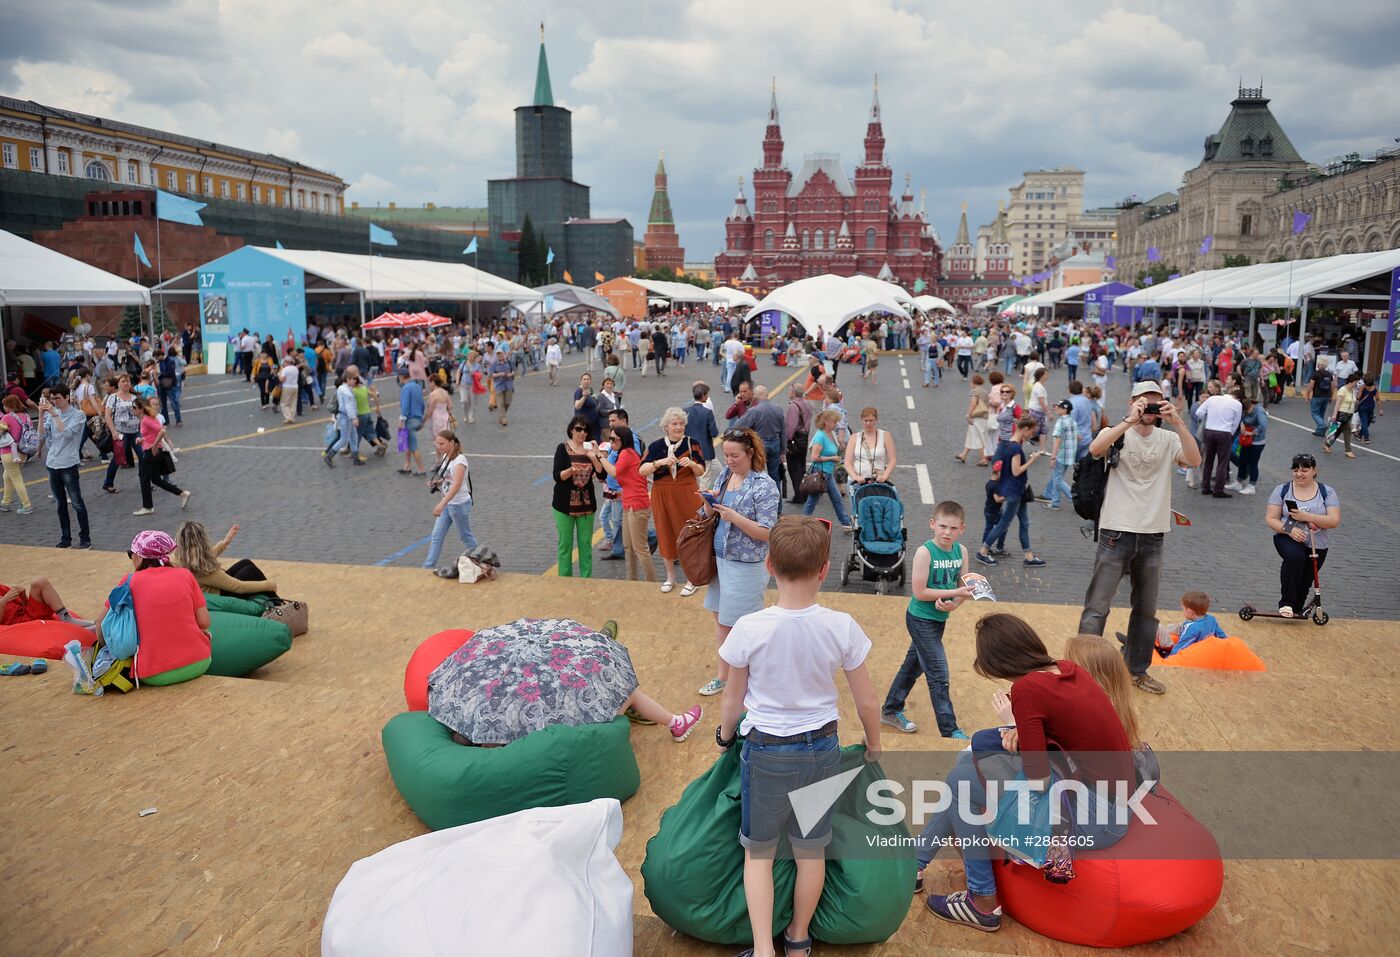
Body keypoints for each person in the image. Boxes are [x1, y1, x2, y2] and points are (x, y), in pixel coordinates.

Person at [716, 515, 883, 957]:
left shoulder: (749, 628)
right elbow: (867, 700)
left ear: (769, 565)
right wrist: (874, 742)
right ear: (825, 569)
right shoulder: (841, 625)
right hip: (822, 747)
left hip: (767, 749)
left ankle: (762, 950)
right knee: (811, 852)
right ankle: (798, 939)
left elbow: (732, 701)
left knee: (760, 855)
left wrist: (724, 735)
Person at [917, 613, 1133, 933]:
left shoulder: (1028, 689)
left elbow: (1039, 780)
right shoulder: (1069, 670)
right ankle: (915, 862)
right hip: (1109, 803)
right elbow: (1066, 737)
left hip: (1096, 817)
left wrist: (1018, 738)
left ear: (998, 663)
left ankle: (982, 902)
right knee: (965, 769)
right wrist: (1024, 737)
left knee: (961, 781)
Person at [1078, 381, 1201, 695]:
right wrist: (1128, 421)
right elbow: (1094, 450)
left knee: (1146, 610)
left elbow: (1194, 460)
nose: (1149, 408)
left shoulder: (1169, 437)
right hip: (1115, 531)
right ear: (1133, 402)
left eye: (1155, 402)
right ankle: (1084, 672)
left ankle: (1136, 669)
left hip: (1153, 534)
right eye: (1144, 402)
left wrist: (1179, 421)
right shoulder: (1119, 433)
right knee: (1097, 606)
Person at [697, 427, 780, 697]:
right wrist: (709, 503)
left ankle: (750, 679)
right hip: (721, 559)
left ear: (751, 453)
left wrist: (735, 518)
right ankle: (724, 676)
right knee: (721, 619)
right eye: (727, 455)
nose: (730, 461)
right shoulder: (725, 474)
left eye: (735, 456)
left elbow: (767, 532)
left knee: (743, 625)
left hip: (746, 565)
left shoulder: (764, 486)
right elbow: (710, 512)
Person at [880, 500, 972, 738]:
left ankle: (890, 710)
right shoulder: (925, 552)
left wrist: (954, 604)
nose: (947, 532)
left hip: (938, 619)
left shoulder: (961, 552)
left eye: (953, 528)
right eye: (942, 526)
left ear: (962, 528)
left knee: (912, 667)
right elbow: (920, 592)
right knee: (938, 674)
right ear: (932, 524)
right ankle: (949, 730)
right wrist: (954, 595)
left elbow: (964, 587)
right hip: (920, 619)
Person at [90, 531, 213, 686]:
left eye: (131, 554)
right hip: (199, 663)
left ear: (140, 556)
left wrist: (104, 650)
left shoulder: (129, 581)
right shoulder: (186, 575)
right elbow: (204, 622)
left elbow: (100, 622)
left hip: (154, 674)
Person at [1266, 452, 1340, 618]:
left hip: (1317, 541)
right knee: (1295, 557)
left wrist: (1308, 517)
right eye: (1295, 470)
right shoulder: (1282, 490)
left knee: (1306, 579)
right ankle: (1286, 603)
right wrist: (1289, 530)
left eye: (1304, 470)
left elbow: (1334, 520)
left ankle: (1296, 606)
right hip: (1287, 535)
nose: (1299, 474)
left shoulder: (1326, 491)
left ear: (1314, 471)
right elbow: (1271, 519)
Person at [640, 409, 706, 595]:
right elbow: (642, 470)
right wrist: (659, 463)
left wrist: (692, 464)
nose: (678, 427)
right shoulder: (656, 446)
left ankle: (692, 579)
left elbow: (701, 470)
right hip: (662, 492)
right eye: (674, 424)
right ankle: (670, 577)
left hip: (686, 491)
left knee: (689, 535)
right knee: (665, 532)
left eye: (680, 423)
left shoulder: (692, 443)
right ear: (666, 427)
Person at [974, 416, 1045, 567]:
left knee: (1024, 523)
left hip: (1016, 490)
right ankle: (983, 551)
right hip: (1014, 492)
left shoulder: (1008, 445)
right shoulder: (1016, 448)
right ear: (1025, 429)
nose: (1032, 436)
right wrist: (1032, 459)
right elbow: (1016, 471)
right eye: (1031, 432)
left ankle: (1029, 556)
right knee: (1003, 524)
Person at [596, 424, 656, 583]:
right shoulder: (624, 453)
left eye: (614, 439)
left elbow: (614, 472)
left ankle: (651, 583)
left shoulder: (627, 454)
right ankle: (632, 582)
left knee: (640, 549)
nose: (611, 442)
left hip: (637, 505)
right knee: (628, 548)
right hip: (628, 503)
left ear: (623, 440)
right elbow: (632, 479)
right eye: (610, 439)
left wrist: (599, 456)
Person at [37, 385, 91, 549]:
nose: (55, 401)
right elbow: (41, 435)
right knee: (60, 504)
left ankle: (85, 538)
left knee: (77, 503)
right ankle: (65, 537)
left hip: (68, 463)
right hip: (52, 463)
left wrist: (54, 414)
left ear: (67, 397)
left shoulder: (78, 415)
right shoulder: (52, 415)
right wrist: (41, 415)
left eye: (58, 398)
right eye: (52, 399)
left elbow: (67, 434)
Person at [551, 416, 605, 577]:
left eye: (585, 430)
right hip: (563, 504)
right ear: (571, 430)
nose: (582, 433)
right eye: (578, 429)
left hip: (587, 505)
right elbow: (557, 476)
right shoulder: (563, 448)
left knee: (585, 546)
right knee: (565, 546)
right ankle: (564, 580)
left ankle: (586, 579)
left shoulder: (590, 450)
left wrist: (595, 456)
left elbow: (601, 474)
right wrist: (571, 470)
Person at [174, 521, 278, 596]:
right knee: (249, 571)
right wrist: (269, 585)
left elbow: (198, 557)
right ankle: (279, 605)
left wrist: (225, 543)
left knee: (245, 563)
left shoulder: (177, 557)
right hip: (219, 597)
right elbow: (238, 587)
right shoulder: (202, 570)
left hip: (205, 592)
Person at [423, 430, 478, 571]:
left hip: (458, 505)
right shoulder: (446, 456)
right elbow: (449, 478)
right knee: (436, 536)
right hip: (448, 504)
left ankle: (483, 560)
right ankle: (427, 567)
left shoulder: (460, 460)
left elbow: (457, 484)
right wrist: (438, 482)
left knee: (465, 536)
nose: (439, 446)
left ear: (452, 443)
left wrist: (441, 504)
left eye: (442, 443)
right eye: (437, 443)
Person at [130, 395, 189, 516]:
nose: (132, 409)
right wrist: (142, 440)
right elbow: (152, 434)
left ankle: (147, 507)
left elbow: (162, 431)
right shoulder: (146, 418)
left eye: (134, 407)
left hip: (151, 452)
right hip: (151, 450)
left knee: (144, 478)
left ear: (141, 408)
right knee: (155, 479)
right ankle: (182, 493)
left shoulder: (146, 419)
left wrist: (155, 445)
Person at [801, 410, 853, 530]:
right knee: (813, 501)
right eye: (834, 422)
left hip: (827, 473)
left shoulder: (830, 434)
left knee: (836, 498)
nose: (836, 424)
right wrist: (832, 458)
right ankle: (801, 523)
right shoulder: (820, 436)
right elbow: (814, 457)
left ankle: (846, 523)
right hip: (820, 473)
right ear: (826, 422)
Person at [734, 385, 787, 494]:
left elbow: (738, 426)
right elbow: (783, 432)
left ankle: (758, 501)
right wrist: (783, 451)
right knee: (774, 476)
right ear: (767, 395)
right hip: (775, 443)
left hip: (760, 443)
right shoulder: (778, 409)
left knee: (757, 474)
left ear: (755, 397)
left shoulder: (754, 411)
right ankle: (777, 506)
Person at [1197, 387, 1243, 497]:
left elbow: (1199, 412)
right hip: (1224, 432)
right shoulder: (1237, 404)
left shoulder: (1212, 399)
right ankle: (1218, 489)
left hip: (1209, 431)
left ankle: (1205, 487)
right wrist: (1230, 433)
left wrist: (1210, 420)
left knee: (1208, 460)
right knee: (1222, 462)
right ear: (1238, 398)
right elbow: (1236, 423)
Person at [1156, 590, 1228, 656]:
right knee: (1174, 626)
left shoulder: (1191, 628)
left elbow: (1182, 645)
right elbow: (1222, 636)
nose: (1182, 611)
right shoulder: (1211, 619)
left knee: (1159, 628)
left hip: (1177, 647)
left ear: (1190, 612)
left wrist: (1169, 657)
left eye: (1183, 609)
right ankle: (1168, 629)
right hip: (1198, 634)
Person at [1, 577, 93, 628]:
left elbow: (23, 606)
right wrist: (3, 602)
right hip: (19, 625)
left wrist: (23, 596)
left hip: (28, 615)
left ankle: (66, 618)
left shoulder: (1, 588)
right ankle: (87, 629)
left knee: (39, 582)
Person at [101, 373, 141, 493]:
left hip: (135, 432)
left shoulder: (134, 398)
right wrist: (113, 431)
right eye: (123, 381)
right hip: (121, 432)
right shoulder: (113, 397)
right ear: (118, 383)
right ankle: (108, 483)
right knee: (118, 459)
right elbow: (107, 415)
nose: (126, 383)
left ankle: (145, 481)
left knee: (143, 456)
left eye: (128, 381)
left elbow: (141, 413)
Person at [1041, 399, 1079, 510]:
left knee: (1057, 479)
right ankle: (1055, 502)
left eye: (1058, 407)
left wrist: (1053, 457)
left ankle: (1073, 497)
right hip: (1070, 455)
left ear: (1065, 409)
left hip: (1062, 455)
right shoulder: (1072, 421)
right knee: (1057, 477)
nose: (1056, 408)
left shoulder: (1061, 422)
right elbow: (1078, 436)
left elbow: (1057, 440)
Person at [1226, 397, 1267, 495]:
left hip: (1257, 442)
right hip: (1245, 441)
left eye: (1246, 411)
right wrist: (1242, 424)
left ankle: (1251, 486)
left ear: (1250, 406)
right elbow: (1241, 419)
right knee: (1242, 461)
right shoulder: (1245, 411)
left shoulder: (1259, 411)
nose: (1245, 413)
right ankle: (1238, 482)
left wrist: (1252, 433)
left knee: (1253, 463)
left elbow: (1263, 425)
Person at [0, 394, 33, 514]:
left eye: (4, 405)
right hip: (23, 452)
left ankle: (27, 505)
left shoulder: (7, 418)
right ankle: (5, 503)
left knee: (16, 479)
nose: (3, 407)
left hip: (8, 454)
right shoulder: (26, 416)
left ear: (9, 406)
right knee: (7, 477)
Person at [954, 375, 990, 465]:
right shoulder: (985, 391)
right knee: (971, 436)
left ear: (974, 382)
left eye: (971, 382)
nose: (970, 384)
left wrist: (968, 414)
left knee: (978, 437)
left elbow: (973, 404)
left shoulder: (974, 391)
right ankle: (964, 455)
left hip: (977, 416)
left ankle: (983, 459)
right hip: (985, 416)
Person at [684, 382, 719, 476]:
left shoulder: (685, 411)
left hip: (689, 448)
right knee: (705, 476)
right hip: (705, 449)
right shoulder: (707, 412)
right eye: (707, 394)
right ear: (703, 395)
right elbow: (714, 433)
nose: (708, 397)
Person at [1322, 372, 1360, 458]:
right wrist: (1334, 415)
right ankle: (1348, 450)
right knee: (1347, 431)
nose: (1356, 384)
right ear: (1350, 381)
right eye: (1355, 382)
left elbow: (1354, 401)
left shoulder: (1353, 391)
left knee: (1337, 431)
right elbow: (1338, 403)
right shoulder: (1343, 390)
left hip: (1349, 414)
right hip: (1342, 414)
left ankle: (1326, 444)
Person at [397, 369, 426, 475]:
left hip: (410, 419)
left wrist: (401, 421)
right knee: (407, 443)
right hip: (418, 417)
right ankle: (407, 465)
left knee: (413, 445)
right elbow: (422, 404)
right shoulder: (417, 386)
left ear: (401, 377)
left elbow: (405, 406)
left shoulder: (405, 388)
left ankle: (421, 469)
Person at [1303, 360, 1335, 436]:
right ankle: (1319, 431)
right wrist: (1331, 396)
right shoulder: (1329, 374)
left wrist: (1307, 395)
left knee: (1315, 413)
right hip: (1326, 396)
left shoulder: (1315, 374)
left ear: (1318, 365)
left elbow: (1311, 386)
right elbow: (1332, 386)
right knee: (1321, 413)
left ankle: (1322, 425)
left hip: (1317, 396)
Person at [489, 349, 515, 426]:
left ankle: (502, 415)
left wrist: (511, 374)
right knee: (500, 403)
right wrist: (500, 374)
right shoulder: (494, 364)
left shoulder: (510, 362)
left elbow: (514, 370)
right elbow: (492, 374)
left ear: (504, 354)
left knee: (507, 402)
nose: (499, 356)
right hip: (499, 385)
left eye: (500, 354)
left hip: (508, 384)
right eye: (498, 354)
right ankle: (504, 418)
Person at [573, 372, 601, 443]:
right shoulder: (579, 391)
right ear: (581, 381)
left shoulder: (590, 390)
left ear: (590, 381)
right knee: (586, 442)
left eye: (588, 379)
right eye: (584, 379)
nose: (586, 381)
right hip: (584, 423)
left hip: (594, 423)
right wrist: (584, 397)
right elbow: (577, 406)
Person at [1356, 374, 1380, 445]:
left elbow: (1358, 397)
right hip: (1371, 406)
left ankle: (1365, 437)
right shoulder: (1375, 388)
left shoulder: (1362, 387)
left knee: (1364, 423)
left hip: (1362, 407)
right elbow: (1378, 399)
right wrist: (1380, 409)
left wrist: (1356, 395)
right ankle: (1361, 435)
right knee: (1368, 422)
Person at [277, 356, 299, 425]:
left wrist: (279, 375)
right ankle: (292, 417)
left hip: (287, 387)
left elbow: (282, 379)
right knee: (293, 403)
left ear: (286, 362)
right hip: (295, 386)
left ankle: (288, 417)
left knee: (284, 403)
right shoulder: (295, 368)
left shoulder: (285, 369)